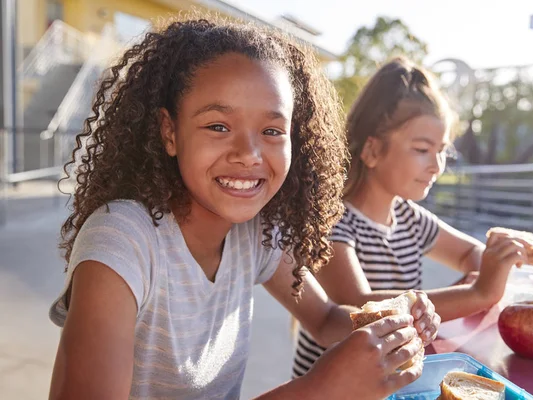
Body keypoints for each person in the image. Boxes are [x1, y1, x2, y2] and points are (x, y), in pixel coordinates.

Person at [47, 15, 439, 400]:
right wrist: (319, 388)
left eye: (271, 131)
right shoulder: (121, 240)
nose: (249, 154)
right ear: (170, 132)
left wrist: (394, 318)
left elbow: (325, 319)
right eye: (219, 126)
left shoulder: (255, 233)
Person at [293, 57, 530, 378]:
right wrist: (478, 294)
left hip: (391, 381)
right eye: (422, 149)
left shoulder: (408, 216)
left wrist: (490, 265)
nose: (436, 165)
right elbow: (358, 306)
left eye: (442, 151)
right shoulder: (334, 220)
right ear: (373, 151)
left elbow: (469, 254)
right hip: (332, 387)